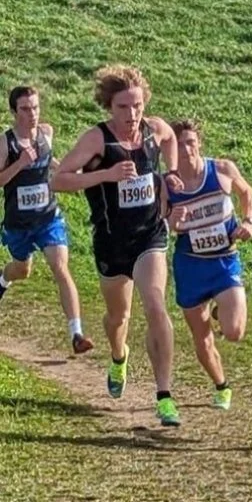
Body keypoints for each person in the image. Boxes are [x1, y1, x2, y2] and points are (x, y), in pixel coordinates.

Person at [51, 67, 180, 426]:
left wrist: (171, 174)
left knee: (155, 305)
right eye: (123, 107)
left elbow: (171, 138)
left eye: (137, 105)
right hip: (112, 242)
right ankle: (119, 355)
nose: (132, 114)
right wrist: (105, 175)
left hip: (150, 236)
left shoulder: (154, 130)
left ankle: (164, 395)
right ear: (110, 106)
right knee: (118, 318)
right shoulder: (98, 140)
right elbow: (59, 180)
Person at [166, 119, 252, 410]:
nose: (186, 150)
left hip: (224, 261)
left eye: (190, 142)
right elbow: (159, 224)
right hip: (190, 266)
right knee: (202, 337)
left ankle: (222, 309)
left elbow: (246, 192)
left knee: (234, 332)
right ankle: (221, 385)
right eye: (179, 145)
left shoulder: (221, 170)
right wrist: (171, 221)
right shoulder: (167, 185)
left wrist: (248, 221)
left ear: (199, 143)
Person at [0, 85, 93, 355]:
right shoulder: (6, 142)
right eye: (25, 109)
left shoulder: (46, 133)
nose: (32, 114)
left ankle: (77, 334)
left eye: (36, 107)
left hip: (48, 217)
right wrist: (20, 163)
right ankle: (3, 279)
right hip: (19, 223)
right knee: (22, 270)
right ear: (14, 112)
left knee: (60, 267)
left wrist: (66, 171)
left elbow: (49, 158)